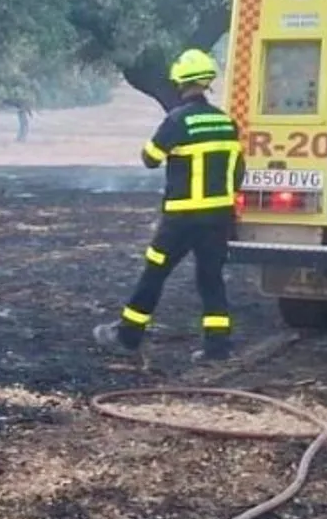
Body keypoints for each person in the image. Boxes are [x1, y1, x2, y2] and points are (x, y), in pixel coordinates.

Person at [94, 48, 245, 363]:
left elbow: (150, 158)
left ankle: (128, 335)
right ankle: (218, 346)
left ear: (180, 83)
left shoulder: (177, 121)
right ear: (207, 82)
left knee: (154, 273)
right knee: (211, 279)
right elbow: (238, 171)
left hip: (181, 219)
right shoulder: (226, 122)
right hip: (219, 218)